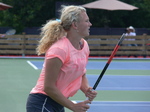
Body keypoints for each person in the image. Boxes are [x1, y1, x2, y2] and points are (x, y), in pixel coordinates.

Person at [26, 5, 97, 112]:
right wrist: (73, 106)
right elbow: (48, 87)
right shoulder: (59, 49)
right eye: (87, 21)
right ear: (75, 25)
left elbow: (81, 74)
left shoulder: (84, 45)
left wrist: (86, 89)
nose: (90, 24)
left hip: (59, 102)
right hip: (43, 102)